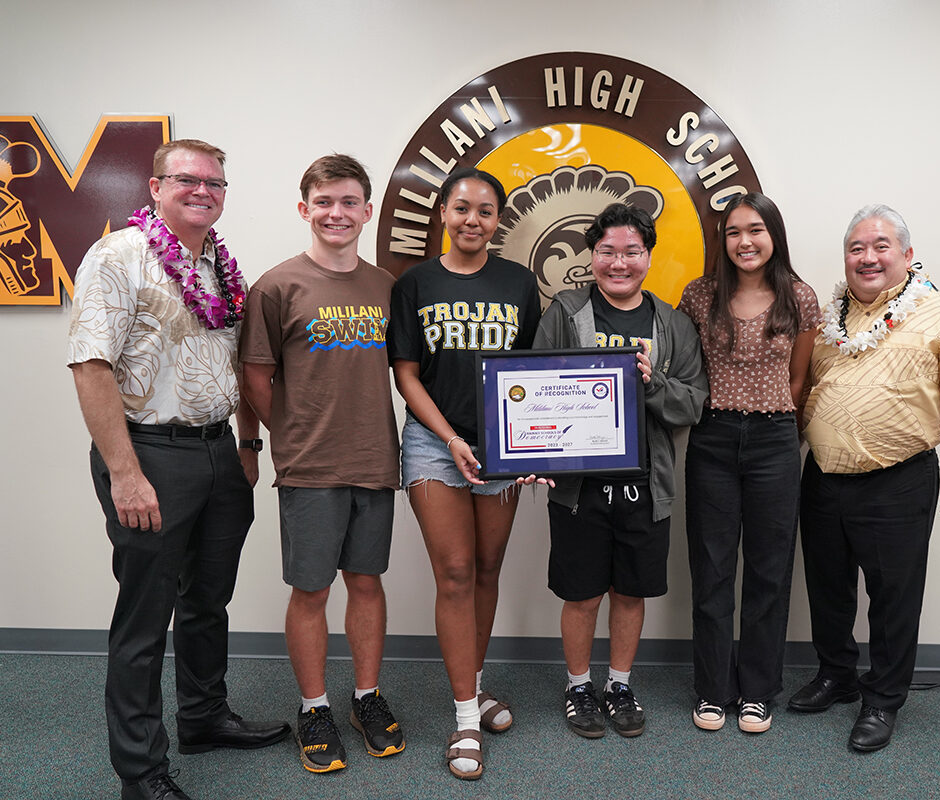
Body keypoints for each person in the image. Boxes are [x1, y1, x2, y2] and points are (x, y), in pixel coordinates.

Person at [67, 139, 289, 800]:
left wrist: (248, 445)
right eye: (188, 180)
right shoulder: (118, 256)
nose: (204, 191)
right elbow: (90, 366)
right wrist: (125, 473)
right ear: (156, 186)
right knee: (144, 618)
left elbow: (241, 363)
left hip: (220, 452)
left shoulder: (222, 264)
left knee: (207, 602)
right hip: (149, 454)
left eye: (216, 183)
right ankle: (142, 773)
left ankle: (203, 717)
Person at [791, 204, 940, 752]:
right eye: (857, 248)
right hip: (823, 476)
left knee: (893, 595)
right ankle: (836, 675)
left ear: (907, 255)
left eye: (881, 246)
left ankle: (882, 699)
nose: (868, 257)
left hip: (898, 480)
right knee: (827, 587)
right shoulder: (824, 318)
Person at [240, 155, 403, 774]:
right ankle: (314, 706)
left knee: (366, 581)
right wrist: (288, 433)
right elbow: (255, 375)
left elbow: (408, 373)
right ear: (304, 208)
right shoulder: (277, 286)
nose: (337, 213)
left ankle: (367, 697)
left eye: (350, 202)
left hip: (374, 460)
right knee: (310, 589)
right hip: (309, 467)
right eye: (324, 201)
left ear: (367, 210)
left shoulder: (388, 286)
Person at [387, 166, 542, 780]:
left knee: (485, 568)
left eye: (484, 211)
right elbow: (405, 372)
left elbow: (533, 372)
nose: (472, 220)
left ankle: (472, 689)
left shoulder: (520, 283)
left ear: (497, 221)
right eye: (461, 209)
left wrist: (534, 447)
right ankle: (464, 720)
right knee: (453, 572)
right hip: (433, 443)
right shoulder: (415, 283)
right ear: (443, 215)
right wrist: (450, 439)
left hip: (503, 448)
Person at [535, 202, 708, 740]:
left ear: (648, 257)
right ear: (593, 255)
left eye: (632, 251)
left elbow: (694, 404)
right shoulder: (566, 312)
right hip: (579, 488)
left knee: (631, 593)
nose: (619, 262)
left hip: (645, 485)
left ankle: (619, 683)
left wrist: (653, 382)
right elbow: (536, 389)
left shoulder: (674, 324)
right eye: (608, 251)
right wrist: (533, 455)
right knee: (582, 594)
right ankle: (578, 686)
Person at [677, 193, 821, 733]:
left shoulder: (799, 297)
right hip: (712, 439)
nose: (745, 241)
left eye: (755, 230)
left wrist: (777, 426)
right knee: (712, 569)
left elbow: (800, 381)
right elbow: (688, 371)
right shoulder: (699, 296)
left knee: (769, 569)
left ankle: (757, 690)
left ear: (774, 235)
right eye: (734, 231)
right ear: (723, 241)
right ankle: (713, 689)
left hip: (774, 441)